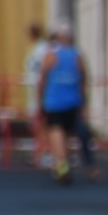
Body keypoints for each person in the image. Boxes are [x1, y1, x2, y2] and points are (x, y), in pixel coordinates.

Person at [35, 23, 90, 186]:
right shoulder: (77, 55)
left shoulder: (51, 55)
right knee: (66, 135)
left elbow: (43, 78)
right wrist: (83, 101)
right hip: (73, 101)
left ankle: (62, 164)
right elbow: (83, 79)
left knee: (55, 132)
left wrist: (40, 99)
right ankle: (63, 163)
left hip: (54, 102)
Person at [22, 23, 49, 161]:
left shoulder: (43, 49)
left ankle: (45, 153)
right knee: (36, 124)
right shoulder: (37, 48)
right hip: (34, 90)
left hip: (40, 91)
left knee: (41, 124)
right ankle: (39, 153)